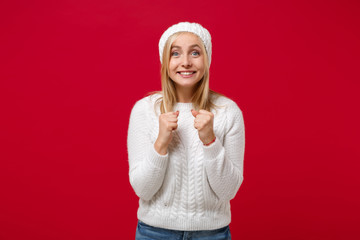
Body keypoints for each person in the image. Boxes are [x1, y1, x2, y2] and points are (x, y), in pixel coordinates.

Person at [127, 22, 245, 240]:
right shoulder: (144, 110)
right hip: (154, 233)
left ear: (206, 59)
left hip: (212, 234)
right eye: (175, 53)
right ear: (165, 61)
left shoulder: (228, 111)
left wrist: (210, 141)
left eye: (195, 52)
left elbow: (228, 191)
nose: (186, 62)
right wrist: (161, 143)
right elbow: (143, 189)